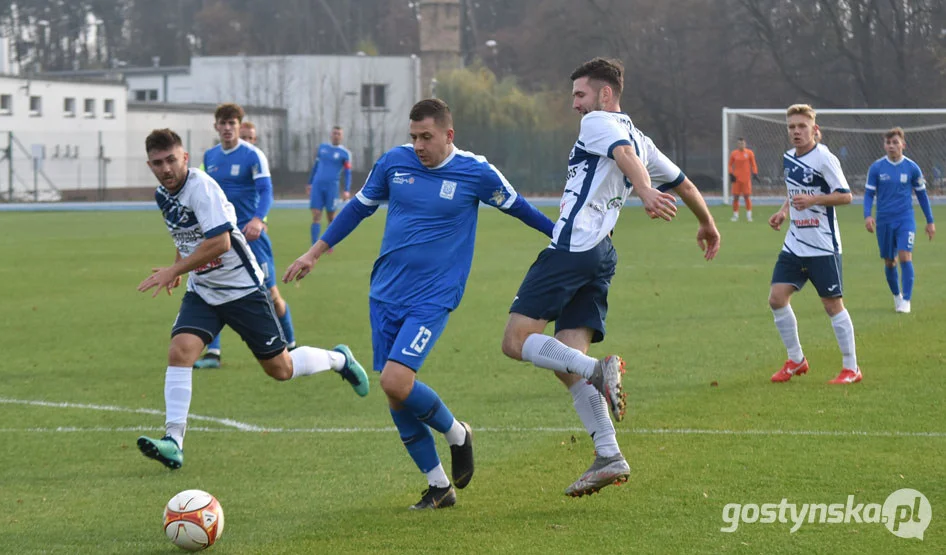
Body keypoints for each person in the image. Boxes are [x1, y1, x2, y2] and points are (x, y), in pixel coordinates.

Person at [283, 98, 556, 510]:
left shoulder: (475, 172)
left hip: (433, 296)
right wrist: (314, 252)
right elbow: (358, 208)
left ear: (449, 135)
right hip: (385, 293)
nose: (419, 145)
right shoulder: (394, 163)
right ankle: (438, 486)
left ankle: (458, 434)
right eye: (413, 137)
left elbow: (520, 208)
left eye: (426, 137)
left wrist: (564, 241)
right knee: (397, 396)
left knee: (394, 381)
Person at [499, 57, 721, 498]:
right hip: (602, 255)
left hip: (573, 246)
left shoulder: (600, 123)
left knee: (516, 340)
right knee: (564, 361)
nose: (575, 105)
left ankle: (600, 370)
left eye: (580, 94)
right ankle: (608, 452)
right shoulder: (642, 139)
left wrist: (641, 190)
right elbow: (686, 185)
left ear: (604, 94)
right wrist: (708, 224)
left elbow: (622, 157)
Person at [135, 128, 369, 470]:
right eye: (158, 163)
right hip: (203, 290)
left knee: (280, 369)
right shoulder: (163, 195)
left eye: (172, 159)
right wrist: (180, 268)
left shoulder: (201, 188)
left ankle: (339, 360)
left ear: (184, 157)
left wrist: (173, 271)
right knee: (180, 351)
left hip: (242, 289)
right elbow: (186, 234)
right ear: (150, 165)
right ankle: (173, 441)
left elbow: (220, 243)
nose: (166, 168)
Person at [193, 104, 296, 370]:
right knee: (211, 288)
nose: (227, 128)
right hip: (220, 238)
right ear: (216, 126)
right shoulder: (210, 156)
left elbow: (266, 191)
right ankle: (213, 353)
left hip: (250, 239)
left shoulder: (253, 155)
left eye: (232, 123)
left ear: (239, 125)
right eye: (222, 123)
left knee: (270, 295)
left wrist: (258, 220)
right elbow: (203, 193)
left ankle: (292, 345)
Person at [767, 104, 861, 385]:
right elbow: (793, 190)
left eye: (801, 126)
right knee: (776, 298)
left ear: (814, 129)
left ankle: (851, 368)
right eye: (792, 127)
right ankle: (796, 360)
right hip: (795, 243)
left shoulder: (825, 159)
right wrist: (784, 211)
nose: (796, 131)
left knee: (832, 305)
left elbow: (845, 196)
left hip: (822, 245)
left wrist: (814, 200)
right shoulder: (788, 158)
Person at [863, 127, 935, 313]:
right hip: (884, 220)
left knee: (905, 256)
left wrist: (930, 220)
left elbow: (922, 196)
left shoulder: (912, 168)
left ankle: (907, 300)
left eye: (895, 142)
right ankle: (897, 296)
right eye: (888, 143)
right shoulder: (877, 168)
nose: (891, 146)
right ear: (884, 145)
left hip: (905, 219)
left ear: (903, 144)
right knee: (889, 261)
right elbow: (869, 194)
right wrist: (868, 215)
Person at [307, 126, 352, 245]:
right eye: (334, 133)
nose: (336, 135)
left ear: (341, 136)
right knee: (316, 215)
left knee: (331, 217)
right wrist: (310, 182)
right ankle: (314, 244)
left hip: (332, 187)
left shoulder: (345, 153)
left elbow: (348, 173)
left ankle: (328, 243)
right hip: (317, 185)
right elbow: (315, 167)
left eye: (339, 134)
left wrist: (347, 190)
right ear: (331, 135)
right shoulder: (322, 148)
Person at [729, 137, 760, 222]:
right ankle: (735, 215)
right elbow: (730, 165)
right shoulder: (734, 153)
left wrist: (755, 173)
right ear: (737, 144)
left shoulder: (749, 153)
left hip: (746, 179)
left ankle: (749, 216)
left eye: (742, 143)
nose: (741, 145)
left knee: (747, 197)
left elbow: (753, 164)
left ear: (745, 144)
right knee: (736, 197)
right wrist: (731, 173)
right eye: (739, 143)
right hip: (736, 179)